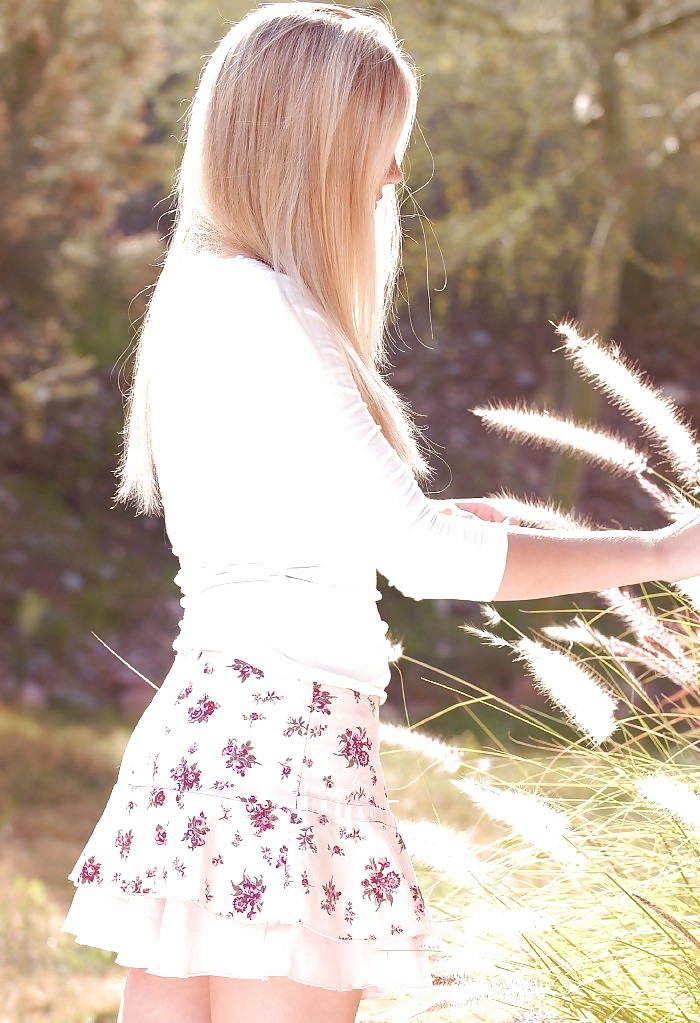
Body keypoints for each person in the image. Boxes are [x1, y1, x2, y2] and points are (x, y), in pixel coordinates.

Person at [60, 4, 700, 1022]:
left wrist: (425, 510)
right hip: (284, 745)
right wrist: (668, 551)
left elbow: (280, 526)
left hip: (211, 727)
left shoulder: (199, 294)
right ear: (310, 149)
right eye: (382, 149)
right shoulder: (270, 309)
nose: (394, 178)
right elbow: (426, 561)